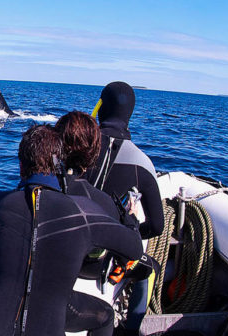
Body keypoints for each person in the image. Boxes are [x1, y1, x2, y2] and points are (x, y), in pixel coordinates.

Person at [0, 125, 143, 336]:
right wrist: (130, 218)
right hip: (47, 327)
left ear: (21, 166)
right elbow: (135, 249)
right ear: (60, 165)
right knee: (105, 316)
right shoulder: (83, 212)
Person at [56, 111, 150, 336]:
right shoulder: (101, 203)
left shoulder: (37, 193)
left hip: (37, 281)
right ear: (93, 153)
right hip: (76, 282)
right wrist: (132, 220)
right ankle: (132, 329)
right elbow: (133, 250)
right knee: (147, 271)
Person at [84, 82, 165, 334]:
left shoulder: (77, 150)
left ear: (100, 107)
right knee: (151, 270)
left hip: (69, 245)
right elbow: (158, 226)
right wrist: (126, 234)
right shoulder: (142, 163)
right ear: (129, 114)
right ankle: (132, 330)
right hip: (105, 262)